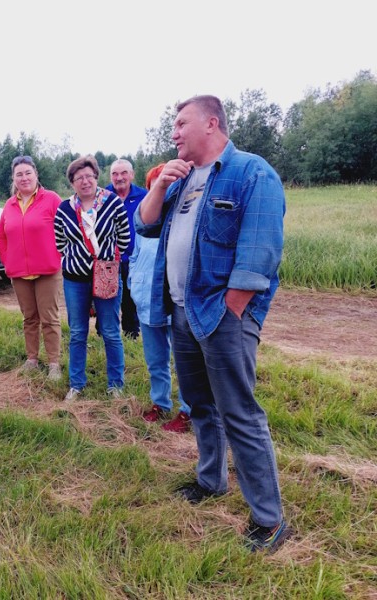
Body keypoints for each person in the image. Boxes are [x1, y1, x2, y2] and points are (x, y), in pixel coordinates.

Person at [136, 95, 292, 552]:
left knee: (239, 413)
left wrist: (234, 307)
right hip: (182, 312)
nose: (174, 133)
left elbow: (261, 248)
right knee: (199, 405)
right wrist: (160, 184)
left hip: (222, 316)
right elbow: (146, 225)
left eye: (181, 123)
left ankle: (269, 519)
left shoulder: (251, 172)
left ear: (211, 122)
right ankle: (211, 481)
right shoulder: (182, 179)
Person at [54, 155, 130, 401]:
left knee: (110, 331)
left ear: (96, 177)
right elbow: (60, 242)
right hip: (75, 279)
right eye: (79, 178)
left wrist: (106, 259)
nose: (84, 181)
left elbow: (124, 238)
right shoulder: (64, 209)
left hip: (106, 276)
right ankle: (76, 384)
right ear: (72, 182)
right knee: (77, 332)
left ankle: (116, 385)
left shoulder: (113, 203)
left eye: (88, 176)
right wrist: (80, 260)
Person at [131, 163, 191, 433]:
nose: (164, 191)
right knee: (156, 359)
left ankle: (188, 410)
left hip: (174, 301)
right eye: (157, 185)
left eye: (168, 185)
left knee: (184, 360)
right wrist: (134, 285)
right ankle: (160, 403)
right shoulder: (145, 220)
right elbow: (135, 258)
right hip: (146, 301)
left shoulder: (182, 222)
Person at [0, 156, 63, 381]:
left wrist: (58, 256)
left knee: (50, 318)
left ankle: (54, 363)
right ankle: (32, 359)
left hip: (47, 270)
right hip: (19, 273)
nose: (24, 178)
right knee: (29, 318)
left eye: (27, 173)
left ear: (36, 175)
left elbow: (66, 230)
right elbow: (2, 237)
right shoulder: (9, 204)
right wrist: (8, 261)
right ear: (14, 179)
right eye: (19, 174)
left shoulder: (52, 199)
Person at [105, 159, 148, 340]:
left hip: (134, 258)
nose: (119, 177)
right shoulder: (103, 196)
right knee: (107, 299)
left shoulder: (144, 196)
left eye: (123, 173)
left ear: (131, 175)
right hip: (108, 258)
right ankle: (104, 335)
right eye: (115, 174)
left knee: (131, 298)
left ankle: (131, 335)